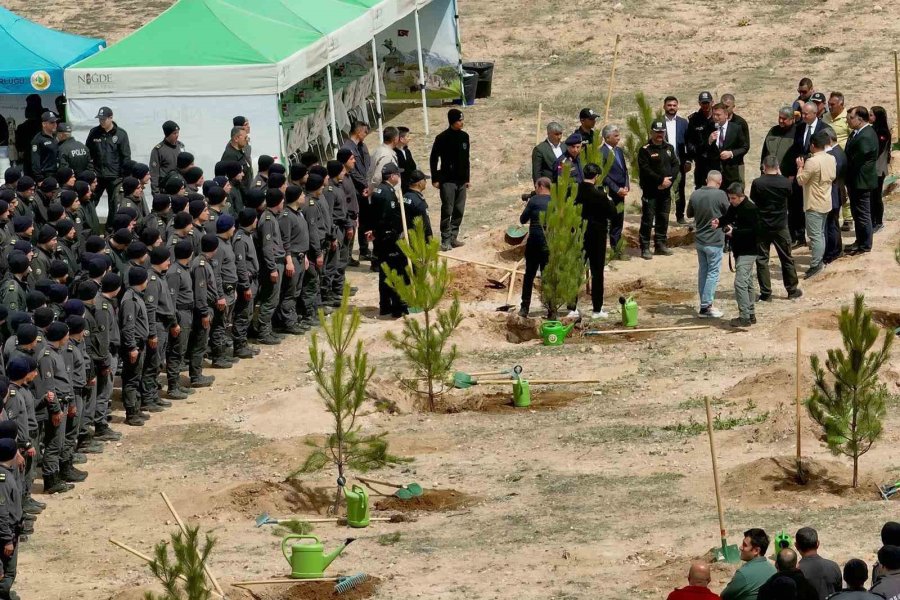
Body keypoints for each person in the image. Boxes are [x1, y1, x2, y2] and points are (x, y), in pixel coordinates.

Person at [751, 156, 802, 301]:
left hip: (762, 225)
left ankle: (766, 293)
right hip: (780, 225)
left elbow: (754, 198)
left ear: (764, 167)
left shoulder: (758, 183)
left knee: (762, 259)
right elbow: (789, 194)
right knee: (786, 258)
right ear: (778, 167)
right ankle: (792, 290)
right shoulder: (785, 182)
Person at [575, 163, 617, 319]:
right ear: (597, 177)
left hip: (578, 234)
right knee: (597, 273)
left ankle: (572, 307)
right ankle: (597, 309)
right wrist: (609, 199)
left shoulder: (575, 191)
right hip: (597, 237)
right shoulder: (600, 195)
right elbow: (613, 213)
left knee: (576, 271)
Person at [716, 183, 760, 328]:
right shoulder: (734, 207)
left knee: (740, 283)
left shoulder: (751, 209)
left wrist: (734, 232)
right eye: (730, 198)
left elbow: (754, 232)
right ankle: (750, 314)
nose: (731, 201)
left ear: (741, 196)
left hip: (749, 251)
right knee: (747, 282)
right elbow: (727, 218)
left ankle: (744, 317)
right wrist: (718, 222)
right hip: (739, 251)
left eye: (733, 198)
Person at [687, 170, 730, 318]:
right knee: (713, 273)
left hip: (700, 240)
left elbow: (689, 214)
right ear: (720, 182)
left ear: (706, 180)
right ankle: (706, 306)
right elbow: (729, 213)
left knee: (703, 272)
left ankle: (704, 304)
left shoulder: (695, 194)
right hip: (714, 240)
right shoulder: (720, 195)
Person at [369, 164, 407, 318]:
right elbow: (387, 218)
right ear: (392, 176)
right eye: (398, 174)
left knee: (384, 273)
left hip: (381, 238)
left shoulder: (378, 190)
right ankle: (397, 308)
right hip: (389, 239)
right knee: (395, 271)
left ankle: (385, 305)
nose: (399, 177)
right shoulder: (387, 193)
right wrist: (395, 234)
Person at [796, 130, 836, 279]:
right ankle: (819, 261)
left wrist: (800, 167)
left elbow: (801, 180)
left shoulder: (812, 161)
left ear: (813, 145)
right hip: (825, 200)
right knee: (820, 234)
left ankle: (816, 264)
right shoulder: (831, 158)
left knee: (815, 236)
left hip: (814, 202)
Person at [786, 102, 828, 247]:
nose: (803, 116)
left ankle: (816, 239)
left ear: (815, 114)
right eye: (802, 113)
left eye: (806, 114)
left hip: (816, 173)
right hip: (800, 172)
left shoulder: (824, 129)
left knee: (813, 207)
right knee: (796, 204)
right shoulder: (799, 128)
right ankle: (799, 236)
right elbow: (795, 150)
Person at [637, 119, 680, 259]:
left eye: (662, 132)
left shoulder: (669, 148)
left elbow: (675, 165)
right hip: (651, 190)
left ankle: (660, 244)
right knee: (648, 220)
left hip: (665, 190)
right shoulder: (645, 150)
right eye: (657, 132)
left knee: (663, 217)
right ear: (651, 132)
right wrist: (660, 180)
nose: (659, 134)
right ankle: (645, 247)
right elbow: (645, 170)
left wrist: (669, 181)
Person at [430, 109, 471, 251]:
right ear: (452, 121)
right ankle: (445, 239)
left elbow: (466, 159)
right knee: (447, 209)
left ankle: (453, 237)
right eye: (459, 120)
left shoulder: (464, 136)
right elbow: (433, 159)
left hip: (461, 181)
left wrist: (467, 178)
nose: (462, 122)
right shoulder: (442, 138)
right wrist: (435, 178)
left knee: (459, 209)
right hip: (447, 180)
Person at [86, 107, 131, 224]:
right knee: (91, 202)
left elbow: (126, 157)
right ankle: (90, 226)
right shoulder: (94, 132)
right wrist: (91, 171)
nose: (101, 121)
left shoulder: (121, 134)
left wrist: (124, 176)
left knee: (114, 205)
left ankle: (110, 229)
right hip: (98, 176)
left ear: (111, 118)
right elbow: (88, 153)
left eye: (104, 119)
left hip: (115, 177)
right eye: (100, 119)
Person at [253, 189, 286, 345]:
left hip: (276, 262)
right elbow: (267, 247)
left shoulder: (271, 217)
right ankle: (263, 332)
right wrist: (272, 268)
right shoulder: (267, 220)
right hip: (272, 264)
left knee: (273, 297)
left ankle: (267, 328)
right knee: (270, 298)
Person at [844, 106, 878, 255]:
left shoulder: (866, 135)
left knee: (863, 214)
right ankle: (860, 241)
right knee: (857, 213)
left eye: (851, 118)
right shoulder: (856, 133)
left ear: (860, 119)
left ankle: (865, 245)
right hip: (855, 181)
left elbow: (856, 159)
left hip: (861, 181)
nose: (848, 121)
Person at [341, 121, 371, 262]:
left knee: (365, 220)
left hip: (363, 189)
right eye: (365, 132)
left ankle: (364, 249)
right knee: (352, 220)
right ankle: (347, 255)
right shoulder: (347, 148)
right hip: (353, 189)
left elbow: (367, 166)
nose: (366, 134)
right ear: (358, 132)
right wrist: (365, 184)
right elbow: (352, 172)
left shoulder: (362, 146)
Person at [720, 528, 777, 600]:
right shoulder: (773, 570)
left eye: (745, 545)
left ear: (756, 550)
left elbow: (723, 596)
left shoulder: (743, 574)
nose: (740, 547)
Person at [663, 96, 692, 224]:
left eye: (674, 105)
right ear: (664, 106)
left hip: (679, 162)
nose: (672, 108)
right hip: (663, 163)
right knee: (663, 190)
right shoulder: (658, 122)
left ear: (677, 107)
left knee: (680, 189)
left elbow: (689, 143)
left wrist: (689, 160)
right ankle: (662, 217)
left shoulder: (683, 123)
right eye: (669, 105)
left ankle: (680, 216)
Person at [600, 124, 629, 248]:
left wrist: (626, 185)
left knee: (618, 220)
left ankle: (616, 247)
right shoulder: (602, 152)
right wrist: (616, 189)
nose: (618, 138)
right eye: (616, 136)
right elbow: (603, 175)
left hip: (621, 191)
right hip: (610, 191)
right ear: (607, 138)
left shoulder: (619, 151)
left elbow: (624, 170)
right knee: (609, 220)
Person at [0, 437, 22, 600]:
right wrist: (7, 539)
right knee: (7, 572)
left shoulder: (5, 474)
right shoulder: (3, 479)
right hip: (6, 533)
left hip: (8, 530)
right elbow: (1, 512)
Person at [709, 103, 750, 190]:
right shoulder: (709, 128)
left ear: (726, 115)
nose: (715, 117)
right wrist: (709, 141)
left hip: (731, 172)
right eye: (714, 115)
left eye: (718, 115)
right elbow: (703, 149)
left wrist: (731, 153)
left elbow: (744, 147)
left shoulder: (736, 128)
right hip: (715, 172)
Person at [794, 527, 842, 600]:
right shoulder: (833, 567)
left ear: (796, 546)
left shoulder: (796, 572)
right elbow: (839, 594)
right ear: (818, 544)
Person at [823, 128, 847, 264]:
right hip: (838, 191)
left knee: (831, 224)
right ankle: (836, 249)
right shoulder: (839, 151)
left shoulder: (833, 154)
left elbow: (832, 175)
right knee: (834, 223)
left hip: (833, 193)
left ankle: (832, 252)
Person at [687, 91, 717, 191]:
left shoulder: (718, 117)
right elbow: (690, 142)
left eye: (707, 102)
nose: (705, 105)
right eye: (703, 103)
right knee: (701, 189)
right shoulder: (694, 119)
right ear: (699, 103)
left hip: (717, 161)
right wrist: (693, 155)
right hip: (701, 162)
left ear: (712, 102)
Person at [870, 105, 891, 233]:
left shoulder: (882, 132)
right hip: (872, 169)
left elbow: (878, 149)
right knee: (871, 196)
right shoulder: (873, 129)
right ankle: (872, 220)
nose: (869, 117)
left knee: (876, 196)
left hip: (878, 169)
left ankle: (878, 222)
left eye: (871, 115)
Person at [760, 107, 798, 176]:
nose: (781, 120)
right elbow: (765, 152)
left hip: (786, 176)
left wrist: (792, 174)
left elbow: (797, 156)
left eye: (784, 119)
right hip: (769, 173)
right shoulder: (773, 131)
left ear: (792, 119)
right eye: (780, 117)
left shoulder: (797, 132)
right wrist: (762, 169)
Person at [149, 121, 184, 195]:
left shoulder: (180, 146)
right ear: (167, 134)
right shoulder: (158, 150)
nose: (177, 135)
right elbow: (154, 174)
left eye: (178, 132)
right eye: (174, 133)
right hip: (166, 190)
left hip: (181, 189)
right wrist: (156, 193)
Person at [368, 126, 402, 199]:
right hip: (386, 195)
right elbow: (377, 177)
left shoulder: (378, 150)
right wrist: (372, 189)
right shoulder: (386, 155)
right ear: (395, 139)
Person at [402, 170, 433, 241]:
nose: (426, 182)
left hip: (406, 235)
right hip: (418, 239)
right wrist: (430, 240)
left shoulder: (404, 197)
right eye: (425, 180)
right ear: (420, 183)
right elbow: (425, 223)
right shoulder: (419, 202)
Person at [30, 111, 60, 182]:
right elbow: (35, 161)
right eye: (52, 122)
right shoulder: (37, 140)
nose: (55, 124)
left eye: (55, 122)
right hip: (47, 175)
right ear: (44, 124)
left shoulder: (56, 137)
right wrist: (39, 178)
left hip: (58, 174)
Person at [221, 127, 252, 192]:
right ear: (236, 139)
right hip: (239, 193)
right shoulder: (230, 156)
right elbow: (232, 179)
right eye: (245, 138)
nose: (247, 140)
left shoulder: (241, 152)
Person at [394, 127, 417, 193]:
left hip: (410, 186)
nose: (409, 138)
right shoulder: (394, 154)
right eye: (407, 136)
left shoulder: (407, 151)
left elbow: (413, 167)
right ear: (401, 139)